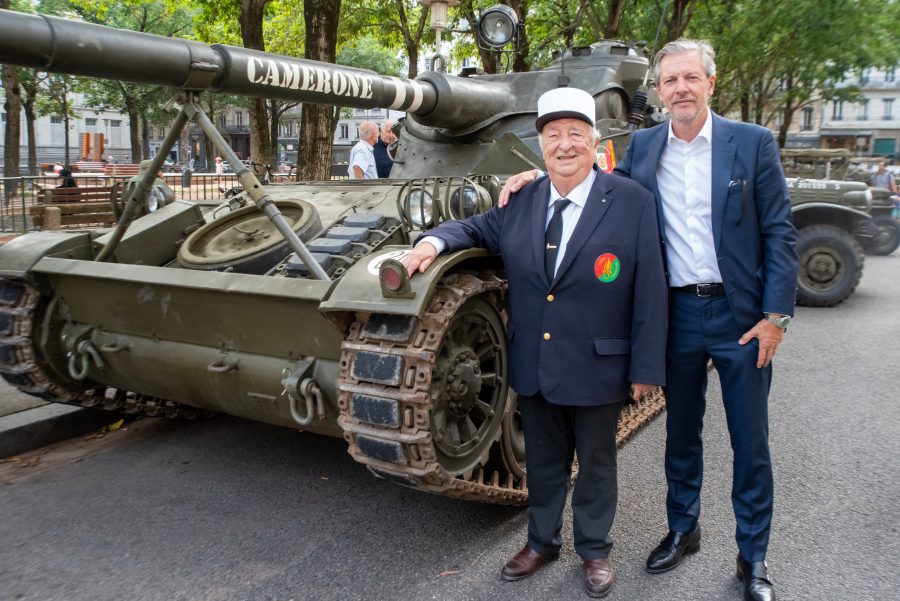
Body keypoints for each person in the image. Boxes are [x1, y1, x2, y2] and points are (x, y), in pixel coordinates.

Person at [500, 39, 798, 601]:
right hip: (678, 312)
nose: (680, 89)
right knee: (680, 437)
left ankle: (752, 556)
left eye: (691, 78)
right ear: (658, 92)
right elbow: (594, 184)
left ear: (711, 82)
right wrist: (524, 186)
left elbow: (781, 232)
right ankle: (683, 529)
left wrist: (776, 315)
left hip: (742, 317)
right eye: (670, 81)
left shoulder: (752, 144)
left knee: (749, 442)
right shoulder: (643, 146)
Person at [403, 87, 668, 598]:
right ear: (541, 145)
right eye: (552, 136)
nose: (564, 145)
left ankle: (594, 550)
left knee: (595, 465)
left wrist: (646, 367)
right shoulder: (521, 199)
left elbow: (651, 291)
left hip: (598, 363)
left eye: (574, 135)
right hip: (537, 360)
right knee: (544, 464)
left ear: (594, 141)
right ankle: (541, 542)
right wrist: (432, 242)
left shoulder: (631, 202)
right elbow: (473, 228)